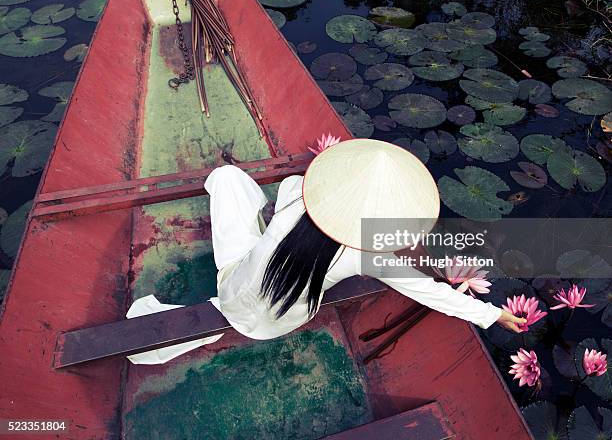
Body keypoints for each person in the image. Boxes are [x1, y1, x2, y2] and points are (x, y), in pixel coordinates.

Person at [126, 138, 524, 364]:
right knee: (269, 212)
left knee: (228, 178)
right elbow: (429, 292)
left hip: (235, 286)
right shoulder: (369, 254)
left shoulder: (302, 198)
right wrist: (495, 314)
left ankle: (243, 204)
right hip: (283, 320)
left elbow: (292, 200)